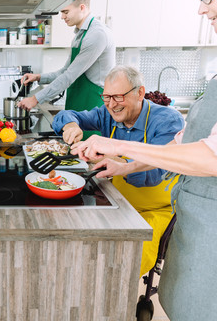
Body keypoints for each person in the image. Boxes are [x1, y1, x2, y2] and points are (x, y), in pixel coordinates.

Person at [72, 0, 217, 319]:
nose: (201, 7)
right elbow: (181, 143)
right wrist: (126, 165)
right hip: (199, 232)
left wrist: (120, 145)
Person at [52, 65, 185, 277]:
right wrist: (71, 126)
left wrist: (112, 157)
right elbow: (67, 115)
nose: (112, 105)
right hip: (117, 200)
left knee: (127, 261)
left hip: (154, 208)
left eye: (118, 97)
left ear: (140, 93)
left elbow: (151, 175)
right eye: (106, 97)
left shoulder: (168, 121)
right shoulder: (106, 114)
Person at [17, 0, 115, 138]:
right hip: (78, 104)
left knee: (90, 154)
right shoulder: (80, 35)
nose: (62, 16)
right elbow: (65, 71)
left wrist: (35, 99)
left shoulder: (97, 34)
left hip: (93, 106)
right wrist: (38, 77)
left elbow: (69, 76)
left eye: (65, 11)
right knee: (75, 151)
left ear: (82, 7)